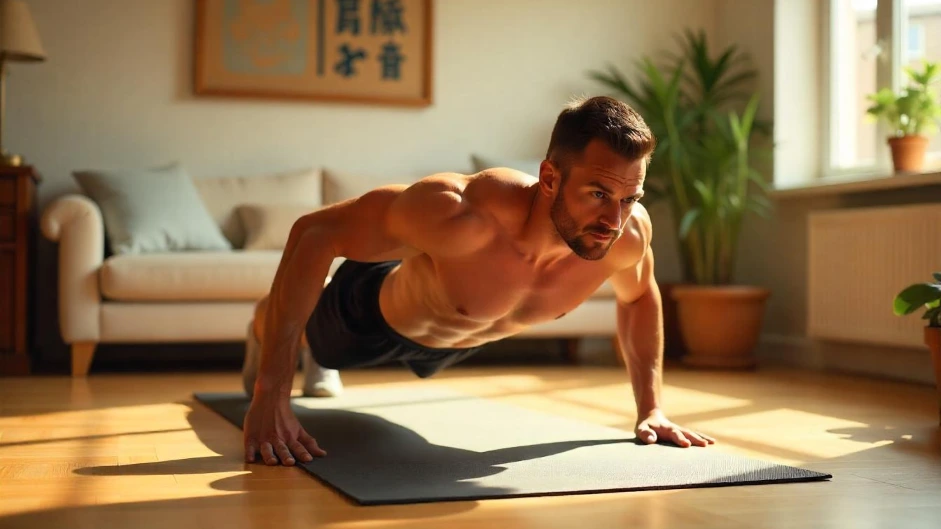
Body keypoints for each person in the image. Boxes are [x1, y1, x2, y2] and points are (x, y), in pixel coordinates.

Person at [240, 95, 716, 467]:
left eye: (630, 197)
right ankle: (263, 327)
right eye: (598, 193)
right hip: (369, 315)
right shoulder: (459, 211)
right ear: (549, 177)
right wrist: (271, 391)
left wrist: (651, 407)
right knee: (313, 339)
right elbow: (313, 232)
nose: (613, 218)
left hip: (457, 337)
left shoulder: (629, 234)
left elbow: (637, 300)